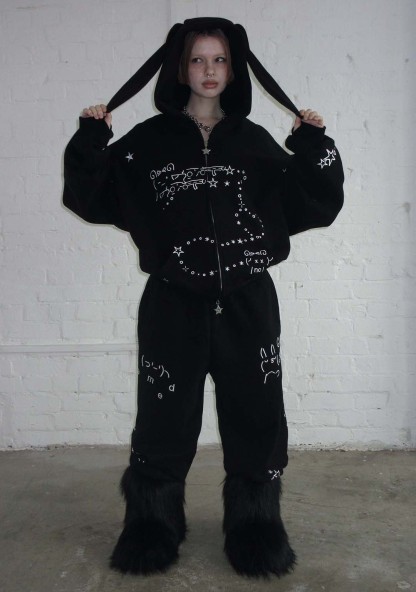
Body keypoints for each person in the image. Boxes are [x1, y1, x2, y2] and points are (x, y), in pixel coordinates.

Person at [63, 17, 344, 578]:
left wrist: (312, 144)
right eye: (197, 59)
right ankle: (152, 526)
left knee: (256, 414)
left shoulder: (255, 143)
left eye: (219, 60)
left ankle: (256, 528)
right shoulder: (149, 143)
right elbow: (89, 194)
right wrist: (92, 139)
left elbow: (316, 201)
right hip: (172, 304)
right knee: (163, 417)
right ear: (180, 68)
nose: (209, 71)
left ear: (233, 70)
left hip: (248, 303)